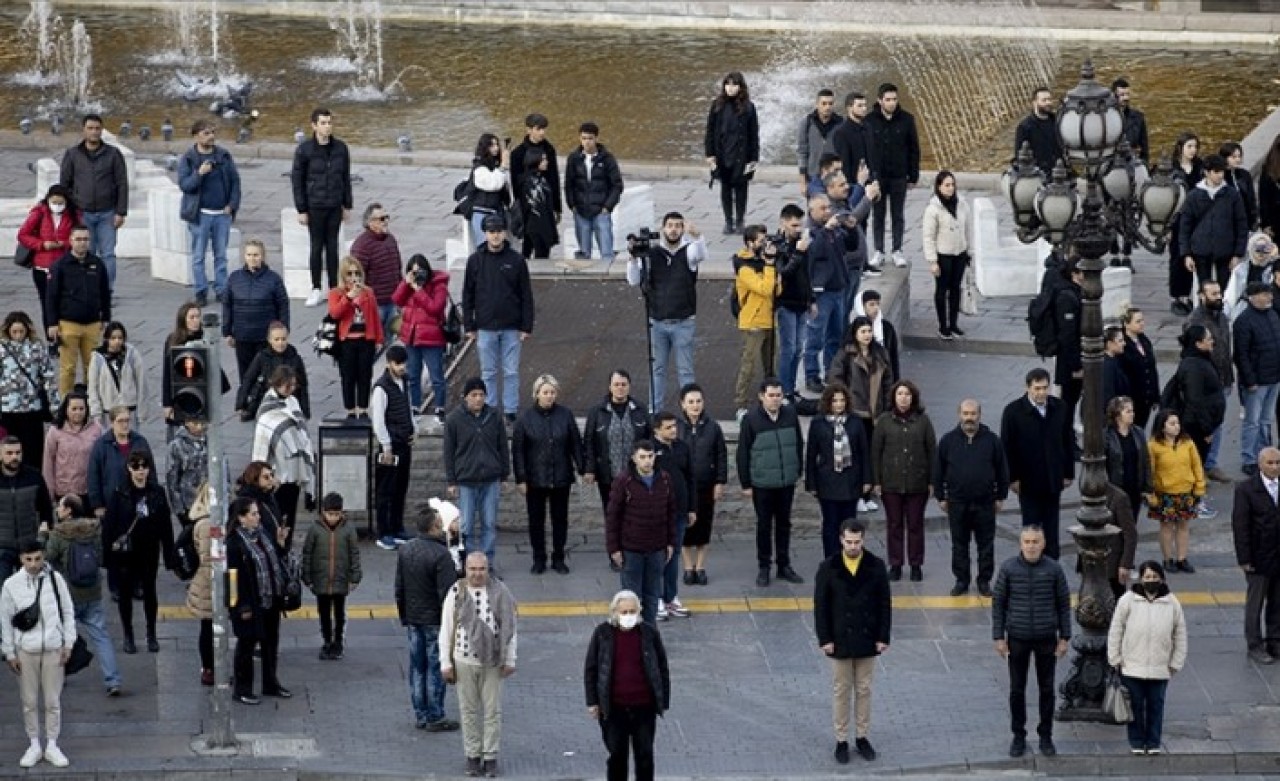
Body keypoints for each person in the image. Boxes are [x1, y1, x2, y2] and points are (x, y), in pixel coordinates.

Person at [814, 519, 891, 764]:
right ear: (841, 540)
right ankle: (841, 739)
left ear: (864, 540)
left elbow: (884, 604)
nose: (853, 546)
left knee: (864, 689)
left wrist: (883, 636)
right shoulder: (828, 567)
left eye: (857, 542)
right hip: (839, 639)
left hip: (867, 638)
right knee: (841, 690)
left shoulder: (876, 566)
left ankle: (862, 736)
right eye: (849, 542)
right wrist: (824, 638)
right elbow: (821, 606)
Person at [992, 525, 1071, 759]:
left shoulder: (1054, 569)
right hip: (1018, 638)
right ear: (1020, 544)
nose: (1031, 546)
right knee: (1017, 689)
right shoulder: (1008, 569)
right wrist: (998, 637)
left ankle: (1046, 736)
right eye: (1027, 541)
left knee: (1047, 689)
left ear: (1043, 544)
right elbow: (998, 604)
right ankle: (1018, 736)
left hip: (1047, 637)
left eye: (1035, 541)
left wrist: (1064, 637)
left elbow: (1063, 604)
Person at [440, 552, 518, 778]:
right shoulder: (455, 592)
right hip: (463, 660)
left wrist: (510, 659)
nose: (476, 574)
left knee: (493, 711)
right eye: (472, 569)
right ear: (465, 569)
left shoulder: (501, 592)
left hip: (493, 661)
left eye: (481, 569)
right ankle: (472, 756)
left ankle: (491, 757)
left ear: (487, 569)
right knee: (468, 711)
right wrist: (445, 662)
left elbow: (511, 628)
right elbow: (446, 629)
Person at [0, 539, 76, 768]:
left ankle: (52, 744)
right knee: (29, 701)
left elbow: (67, 610)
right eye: (28, 559)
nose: (33, 564)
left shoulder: (55, 580)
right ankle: (34, 744)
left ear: (43, 557)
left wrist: (68, 643)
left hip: (53, 648)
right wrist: (9, 652)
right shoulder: (11, 585)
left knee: (53, 700)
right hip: (26, 650)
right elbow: (5, 620)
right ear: (21, 559)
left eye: (37, 559)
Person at [583, 589, 670, 781]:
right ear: (615, 612)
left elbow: (662, 667)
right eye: (624, 612)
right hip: (614, 708)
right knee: (617, 756)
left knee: (645, 755)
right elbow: (592, 669)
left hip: (643, 707)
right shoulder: (602, 634)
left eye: (632, 611)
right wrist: (593, 702)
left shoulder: (649, 633)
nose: (628, 616)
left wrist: (663, 700)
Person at [626, 212, 706, 412]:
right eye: (670, 225)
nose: (674, 229)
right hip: (657, 321)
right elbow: (634, 280)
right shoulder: (652, 254)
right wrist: (633, 257)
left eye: (678, 225)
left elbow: (700, 254)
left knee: (685, 371)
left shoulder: (688, 252)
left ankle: (690, 410)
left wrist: (698, 237)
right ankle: (655, 410)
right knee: (657, 370)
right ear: (663, 228)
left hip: (683, 321)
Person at [1107, 560, 1188, 755]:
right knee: (1134, 706)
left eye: (1154, 577)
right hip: (1131, 665)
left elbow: (1180, 634)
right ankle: (1136, 741)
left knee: (1155, 706)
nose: (1151, 580)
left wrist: (1175, 663)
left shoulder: (1172, 603)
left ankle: (1153, 742)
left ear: (1161, 578)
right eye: (1147, 577)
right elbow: (1116, 629)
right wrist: (1115, 658)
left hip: (1160, 668)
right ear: (1141, 578)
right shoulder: (1127, 600)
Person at [42, 494, 120, 695]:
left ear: (68, 510)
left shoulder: (59, 533)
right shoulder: (94, 530)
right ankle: (113, 680)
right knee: (101, 635)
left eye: (60, 506)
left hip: (68, 594)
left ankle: (60, 677)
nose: (57, 510)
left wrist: (43, 536)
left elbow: (47, 558)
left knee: (61, 637)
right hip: (92, 592)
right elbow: (100, 557)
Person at [462, 214, 535, 421]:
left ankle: (510, 411)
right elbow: (467, 294)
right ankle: (491, 409)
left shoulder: (516, 260)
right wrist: (469, 325)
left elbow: (525, 294)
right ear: (485, 233)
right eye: (492, 231)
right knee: (489, 373)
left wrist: (526, 326)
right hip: (485, 326)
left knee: (511, 371)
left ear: (504, 233)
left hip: (511, 326)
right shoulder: (475, 261)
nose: (495, 235)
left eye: (499, 231)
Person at [933, 399, 1008, 597]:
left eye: (973, 414)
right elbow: (938, 471)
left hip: (985, 502)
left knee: (986, 544)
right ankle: (961, 580)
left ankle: (984, 581)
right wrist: (941, 497)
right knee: (959, 544)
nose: (969, 418)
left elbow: (1002, 470)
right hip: (957, 502)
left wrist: (1001, 496)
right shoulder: (948, 441)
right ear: (959, 414)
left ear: (979, 415)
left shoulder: (992, 440)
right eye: (965, 413)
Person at [102, 450, 174, 654]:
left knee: (150, 591)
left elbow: (165, 525)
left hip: (149, 549)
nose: (140, 471)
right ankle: (128, 635)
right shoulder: (119, 493)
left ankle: (151, 633)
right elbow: (110, 526)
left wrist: (169, 555)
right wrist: (108, 557)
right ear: (129, 469)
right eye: (136, 467)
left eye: (144, 466)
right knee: (125, 594)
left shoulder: (157, 492)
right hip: (126, 552)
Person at [395, 503, 460, 731]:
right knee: (436, 666)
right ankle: (435, 715)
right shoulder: (441, 555)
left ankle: (420, 713)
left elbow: (399, 587)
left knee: (417, 668)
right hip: (435, 620)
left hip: (414, 618)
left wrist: (404, 615)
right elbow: (449, 594)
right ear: (434, 526)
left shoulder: (405, 550)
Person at [512, 374, 583, 575]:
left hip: (561, 476)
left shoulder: (565, 415)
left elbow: (575, 443)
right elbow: (518, 451)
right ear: (537, 394)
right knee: (536, 521)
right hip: (535, 478)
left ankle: (559, 557)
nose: (549, 396)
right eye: (545, 392)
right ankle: (539, 558)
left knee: (560, 519)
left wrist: (583, 468)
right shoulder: (525, 419)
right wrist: (521, 478)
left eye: (552, 392)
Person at [1000, 368, 1074, 560]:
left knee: (1051, 523)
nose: (1041, 393)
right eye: (1037, 388)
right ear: (1028, 388)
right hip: (1028, 480)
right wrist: (1012, 478)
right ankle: (1031, 560)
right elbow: (1007, 448)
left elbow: (1067, 440)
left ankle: (1052, 560)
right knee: (1031, 524)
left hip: (1052, 478)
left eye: (1045, 388)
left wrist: (1068, 472)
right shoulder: (1013, 412)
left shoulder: (1060, 407)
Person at [738, 378, 805, 587]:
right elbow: (743, 452)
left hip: (786, 482)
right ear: (761, 396)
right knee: (764, 526)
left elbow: (798, 443)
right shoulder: (751, 419)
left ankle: (784, 565)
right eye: (771, 395)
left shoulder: (790, 414)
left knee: (784, 524)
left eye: (779, 395)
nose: (775, 400)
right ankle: (764, 566)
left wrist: (797, 470)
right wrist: (746, 484)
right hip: (762, 483)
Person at [584, 370, 652, 573]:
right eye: (616, 384)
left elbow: (648, 440)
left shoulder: (639, 410)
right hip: (609, 476)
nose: (620, 388)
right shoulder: (597, 411)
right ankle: (615, 555)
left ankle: (633, 553)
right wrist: (589, 469)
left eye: (623, 384)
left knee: (634, 516)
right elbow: (589, 442)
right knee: (613, 515)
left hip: (635, 476)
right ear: (609, 386)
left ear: (629, 386)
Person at [226, 495, 290, 705]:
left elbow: (275, 559)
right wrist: (240, 606)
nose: (258, 517)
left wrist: (280, 543)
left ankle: (270, 683)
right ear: (241, 518)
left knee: (270, 643)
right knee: (246, 645)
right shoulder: (234, 544)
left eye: (257, 513)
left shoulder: (262, 534)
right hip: (250, 603)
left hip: (270, 598)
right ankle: (242, 688)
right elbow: (231, 579)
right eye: (253, 514)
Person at [871, 380, 936, 582]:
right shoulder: (884, 421)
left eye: (907, 394)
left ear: (913, 397)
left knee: (915, 525)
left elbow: (932, 451)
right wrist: (877, 481)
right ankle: (895, 563)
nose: (903, 398)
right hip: (891, 483)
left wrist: (932, 481)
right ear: (893, 397)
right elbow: (876, 452)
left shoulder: (923, 421)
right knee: (894, 525)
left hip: (917, 483)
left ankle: (916, 564)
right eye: (900, 394)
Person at [605, 440, 675, 626]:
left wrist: (670, 543)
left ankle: (650, 634)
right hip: (631, 549)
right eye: (642, 457)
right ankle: (631, 634)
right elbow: (612, 516)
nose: (647, 461)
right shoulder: (624, 481)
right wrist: (614, 549)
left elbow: (670, 513)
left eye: (650, 456)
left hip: (656, 548)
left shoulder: (665, 479)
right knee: (631, 597)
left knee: (652, 596)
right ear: (634, 458)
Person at [829, 317, 893, 514]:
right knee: (854, 455)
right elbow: (835, 378)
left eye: (869, 331)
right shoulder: (845, 355)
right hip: (855, 411)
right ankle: (856, 495)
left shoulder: (880, 353)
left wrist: (887, 404)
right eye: (863, 331)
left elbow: (888, 381)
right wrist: (843, 402)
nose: (867, 335)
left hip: (876, 412)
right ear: (855, 334)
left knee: (872, 455)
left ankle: (868, 493)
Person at [444, 378, 509, 567]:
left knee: (489, 524)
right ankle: (470, 563)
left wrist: (504, 474)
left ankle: (487, 563)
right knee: (467, 526)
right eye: (474, 395)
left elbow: (502, 446)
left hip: (490, 479)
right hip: (466, 480)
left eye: (481, 395)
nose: (478, 399)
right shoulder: (454, 419)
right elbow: (449, 451)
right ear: (466, 397)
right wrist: (451, 481)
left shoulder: (494, 416)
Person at [177, 118, 242, 307]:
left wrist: (232, 204)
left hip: (221, 214)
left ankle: (221, 289)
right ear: (196, 136)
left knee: (221, 255)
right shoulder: (188, 159)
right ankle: (201, 291)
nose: (211, 136)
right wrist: (199, 173)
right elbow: (185, 185)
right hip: (200, 215)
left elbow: (235, 181)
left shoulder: (223, 156)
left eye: (213, 132)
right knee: (198, 256)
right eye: (206, 133)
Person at [59, 113, 127, 289]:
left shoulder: (113, 154)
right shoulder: (72, 154)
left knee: (108, 254)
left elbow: (122, 183)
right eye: (90, 128)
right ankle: (87, 288)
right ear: (83, 130)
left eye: (97, 128)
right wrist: (70, 210)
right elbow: (64, 184)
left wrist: (121, 212)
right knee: (85, 253)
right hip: (83, 213)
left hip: (107, 213)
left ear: (102, 130)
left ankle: (107, 289)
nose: (94, 132)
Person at [293, 107, 353, 306]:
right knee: (316, 247)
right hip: (315, 205)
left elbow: (345, 177)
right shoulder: (305, 150)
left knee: (333, 247)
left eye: (329, 122)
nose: (327, 126)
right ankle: (316, 287)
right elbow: (297, 180)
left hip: (334, 204)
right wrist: (301, 209)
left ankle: (335, 287)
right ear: (314, 126)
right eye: (323, 123)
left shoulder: (340, 148)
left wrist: (347, 204)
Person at [806, 382, 871, 560]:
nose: (839, 404)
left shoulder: (855, 421)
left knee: (850, 524)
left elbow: (864, 452)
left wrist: (867, 480)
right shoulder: (818, 423)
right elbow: (811, 454)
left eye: (842, 400)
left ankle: (849, 558)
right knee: (830, 524)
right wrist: (811, 483)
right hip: (827, 483)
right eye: (835, 401)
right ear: (828, 402)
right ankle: (831, 560)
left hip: (851, 481)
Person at [252, 366, 315, 547]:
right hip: (277, 477)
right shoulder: (266, 410)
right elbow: (261, 446)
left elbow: (302, 433)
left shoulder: (293, 402)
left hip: (294, 475)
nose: (291, 389)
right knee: (276, 522)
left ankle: (286, 553)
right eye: (287, 386)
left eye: (293, 385)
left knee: (290, 521)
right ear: (277, 384)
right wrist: (262, 478)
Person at [45, 224, 111, 396]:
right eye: (79, 239)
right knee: (67, 368)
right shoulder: (60, 266)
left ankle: (91, 401)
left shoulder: (97, 264)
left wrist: (106, 318)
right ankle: (65, 404)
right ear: (71, 241)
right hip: (68, 324)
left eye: (86, 239)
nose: (82, 243)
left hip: (93, 324)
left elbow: (105, 292)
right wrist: (52, 323)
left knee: (93, 367)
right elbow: (51, 296)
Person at [1232, 447, 1280, 664]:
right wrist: (1244, 558)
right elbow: (1240, 526)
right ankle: (1254, 644)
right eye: (1270, 463)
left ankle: (1275, 641)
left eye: (1277, 462)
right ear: (1260, 464)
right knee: (1255, 602)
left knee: (1277, 602)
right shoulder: (1246, 489)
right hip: (1258, 557)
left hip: (1278, 555)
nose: (1275, 467)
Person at [301, 492, 361, 661]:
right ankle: (327, 640)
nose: (333, 518)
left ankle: (338, 641)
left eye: (336, 514)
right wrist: (307, 576)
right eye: (330, 514)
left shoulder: (348, 529)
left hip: (340, 579)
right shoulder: (315, 530)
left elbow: (354, 553)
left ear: (342, 513)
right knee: (324, 613)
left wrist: (355, 576)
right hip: (321, 580)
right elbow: (307, 554)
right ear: (323, 512)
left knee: (340, 613)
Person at [677, 383, 726, 586]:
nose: (695, 405)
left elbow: (721, 455)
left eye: (698, 401)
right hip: (684, 488)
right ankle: (688, 567)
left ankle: (701, 566)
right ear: (683, 404)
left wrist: (720, 482)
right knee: (685, 528)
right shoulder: (677, 427)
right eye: (691, 402)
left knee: (704, 527)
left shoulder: (713, 427)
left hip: (706, 486)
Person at [866, 83, 920, 269]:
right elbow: (865, 149)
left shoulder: (906, 120)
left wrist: (913, 176)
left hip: (898, 175)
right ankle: (879, 250)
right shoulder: (870, 121)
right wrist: (868, 178)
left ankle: (897, 250)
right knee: (878, 214)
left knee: (898, 214)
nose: (891, 103)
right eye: (888, 100)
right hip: (877, 177)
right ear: (880, 100)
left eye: (894, 99)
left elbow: (914, 149)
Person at [1187, 280, 1235, 484]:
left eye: (1219, 292)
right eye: (1213, 293)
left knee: (1218, 424)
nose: (1218, 296)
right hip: (1206, 383)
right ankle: (1198, 465)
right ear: (1201, 296)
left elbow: (1225, 346)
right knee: (1203, 426)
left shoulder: (1221, 316)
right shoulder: (1195, 321)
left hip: (1223, 378)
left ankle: (1211, 464)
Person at [1147, 408, 1206, 574]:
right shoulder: (1154, 446)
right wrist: (1151, 493)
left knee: (1183, 526)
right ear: (1162, 426)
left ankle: (1182, 558)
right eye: (1172, 423)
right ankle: (1167, 559)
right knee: (1166, 527)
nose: (1176, 427)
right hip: (1164, 492)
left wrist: (1199, 486)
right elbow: (1150, 471)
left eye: (1177, 423)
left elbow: (1196, 465)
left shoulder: (1187, 443)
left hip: (1186, 490)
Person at [803, 193, 851, 392]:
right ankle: (811, 375)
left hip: (838, 288)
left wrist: (850, 227)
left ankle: (832, 372)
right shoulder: (811, 232)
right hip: (821, 293)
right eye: (822, 208)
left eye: (828, 207)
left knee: (836, 335)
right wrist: (825, 230)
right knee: (815, 336)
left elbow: (850, 246)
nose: (827, 211)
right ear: (811, 211)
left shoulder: (833, 230)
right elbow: (814, 253)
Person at [1166, 324, 1226, 486]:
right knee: (1193, 465)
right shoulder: (1194, 366)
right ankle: (1193, 502)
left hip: (1203, 423)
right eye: (1208, 339)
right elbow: (1195, 400)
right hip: (1196, 426)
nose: (1212, 341)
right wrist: (1206, 429)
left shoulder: (1202, 360)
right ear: (1198, 344)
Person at [1179, 153, 1248, 290]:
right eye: (1216, 172)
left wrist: (1237, 254)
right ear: (1207, 172)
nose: (1220, 175)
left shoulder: (1232, 194)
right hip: (1200, 249)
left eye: (1222, 171)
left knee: (1225, 289)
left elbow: (1241, 224)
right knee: (1204, 288)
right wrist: (1186, 254)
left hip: (1226, 250)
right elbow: (1185, 227)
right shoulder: (1194, 196)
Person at [222, 239, 289, 381]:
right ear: (244, 256)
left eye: (256, 255)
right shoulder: (234, 278)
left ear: (262, 256)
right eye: (249, 255)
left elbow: (283, 304)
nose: (252, 258)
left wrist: (284, 329)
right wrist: (227, 331)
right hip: (242, 336)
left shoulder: (273, 279)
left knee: (268, 376)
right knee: (245, 377)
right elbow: (227, 304)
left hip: (265, 336)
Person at [393, 254, 450, 419]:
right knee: (412, 375)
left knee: (436, 376)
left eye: (421, 271)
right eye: (414, 272)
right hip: (412, 337)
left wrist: (419, 290)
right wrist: (406, 283)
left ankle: (440, 407)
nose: (418, 276)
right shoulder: (409, 285)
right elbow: (397, 300)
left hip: (432, 338)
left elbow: (435, 308)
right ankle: (415, 406)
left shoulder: (438, 286)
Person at [0, 311, 59, 469]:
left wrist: (55, 405)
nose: (18, 335)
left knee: (33, 454)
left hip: (32, 409)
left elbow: (49, 377)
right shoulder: (1, 349)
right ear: (8, 331)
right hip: (7, 410)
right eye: (14, 332)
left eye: (21, 331)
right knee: (8, 451)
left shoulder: (36, 348)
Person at [18, 184, 80, 333]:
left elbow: (79, 236)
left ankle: (65, 334)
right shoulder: (39, 213)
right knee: (47, 303)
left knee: (65, 303)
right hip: (42, 267)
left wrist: (64, 244)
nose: (57, 206)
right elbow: (23, 235)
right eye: (54, 202)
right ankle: (51, 337)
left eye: (60, 203)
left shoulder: (74, 215)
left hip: (65, 266)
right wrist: (42, 245)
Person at [328, 256, 384, 419]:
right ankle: (350, 409)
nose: (354, 277)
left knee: (365, 375)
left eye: (357, 273)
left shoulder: (368, 292)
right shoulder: (336, 293)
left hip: (365, 339)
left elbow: (374, 316)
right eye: (350, 273)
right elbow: (335, 313)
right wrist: (349, 297)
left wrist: (379, 338)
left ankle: (363, 408)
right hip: (346, 342)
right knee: (348, 376)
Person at [1233, 281, 1280, 476]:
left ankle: (1264, 454)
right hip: (1257, 381)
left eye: (1269, 294)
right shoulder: (1243, 321)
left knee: (1266, 420)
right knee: (1252, 421)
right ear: (1253, 297)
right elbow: (1241, 354)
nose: (1269, 297)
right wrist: (1249, 380)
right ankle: (1249, 458)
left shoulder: (1273, 315)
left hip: (1274, 377)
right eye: (1265, 294)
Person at [370, 346, 414, 551]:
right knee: (386, 490)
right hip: (390, 445)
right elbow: (378, 420)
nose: (402, 367)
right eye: (398, 364)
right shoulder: (381, 388)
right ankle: (384, 531)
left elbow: (408, 406)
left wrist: (413, 429)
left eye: (404, 363)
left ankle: (397, 528)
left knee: (400, 488)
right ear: (389, 363)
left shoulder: (404, 381)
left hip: (404, 442)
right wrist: (385, 445)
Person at [732, 225, 779, 417]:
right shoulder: (744, 267)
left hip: (768, 319)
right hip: (752, 323)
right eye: (760, 241)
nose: (764, 244)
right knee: (749, 365)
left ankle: (772, 397)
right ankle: (741, 403)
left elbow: (777, 290)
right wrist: (769, 266)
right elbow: (765, 289)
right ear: (750, 243)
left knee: (771, 364)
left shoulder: (763, 263)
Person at [704, 71, 759, 234]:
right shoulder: (717, 105)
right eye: (727, 84)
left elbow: (753, 134)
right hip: (723, 154)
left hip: (741, 155)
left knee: (741, 188)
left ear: (740, 87)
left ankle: (740, 219)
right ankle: (728, 220)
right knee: (725, 188)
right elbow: (710, 131)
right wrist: (710, 154)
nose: (730, 88)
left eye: (734, 84)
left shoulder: (749, 107)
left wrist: (753, 158)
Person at [652, 412, 694, 621]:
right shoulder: (650, 450)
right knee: (659, 556)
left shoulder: (682, 448)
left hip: (679, 511)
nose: (673, 430)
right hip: (658, 513)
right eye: (668, 427)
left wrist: (691, 508)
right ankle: (656, 598)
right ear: (657, 429)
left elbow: (690, 479)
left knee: (674, 555)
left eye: (674, 426)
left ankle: (671, 596)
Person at [564, 122, 624, 264]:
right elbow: (568, 184)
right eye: (584, 138)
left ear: (596, 138)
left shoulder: (607, 159)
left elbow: (617, 185)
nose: (587, 142)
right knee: (584, 253)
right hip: (581, 210)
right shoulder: (574, 158)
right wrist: (572, 204)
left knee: (606, 251)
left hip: (601, 210)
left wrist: (607, 207)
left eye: (590, 138)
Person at [922, 170, 971, 339]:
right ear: (939, 186)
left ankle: (954, 323)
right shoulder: (933, 209)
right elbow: (928, 237)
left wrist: (969, 251)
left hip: (960, 252)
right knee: (942, 290)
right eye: (947, 185)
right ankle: (943, 326)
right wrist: (932, 261)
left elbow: (967, 229)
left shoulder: (962, 204)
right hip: (943, 255)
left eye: (952, 185)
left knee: (956, 288)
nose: (950, 188)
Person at [0, 437, 54, 582]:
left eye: (18, 452)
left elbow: (46, 508)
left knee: (31, 592)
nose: (14, 457)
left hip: (29, 545)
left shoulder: (34, 477)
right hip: (2, 546)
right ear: (1, 455)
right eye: (9, 453)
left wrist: (43, 536)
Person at [773, 204, 812, 400]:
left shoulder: (801, 243)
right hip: (786, 303)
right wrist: (797, 253)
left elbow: (807, 274)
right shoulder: (777, 245)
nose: (798, 229)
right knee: (788, 349)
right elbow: (783, 273)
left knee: (798, 348)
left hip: (801, 303)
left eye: (800, 225)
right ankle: (785, 389)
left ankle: (791, 387)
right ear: (783, 223)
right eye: (794, 225)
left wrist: (811, 299)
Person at [86, 406, 153, 519]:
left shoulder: (140, 442)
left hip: (137, 502)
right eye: (120, 421)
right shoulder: (101, 446)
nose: (125, 425)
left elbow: (151, 471)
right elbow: (93, 476)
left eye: (127, 420)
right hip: (111, 504)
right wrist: (97, 504)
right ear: (112, 423)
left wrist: (151, 497)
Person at [237, 321, 311, 421]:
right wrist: (241, 403)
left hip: (289, 400)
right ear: (269, 340)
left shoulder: (295, 358)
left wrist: (305, 411)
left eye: (283, 339)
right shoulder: (262, 357)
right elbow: (249, 379)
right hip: (265, 399)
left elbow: (303, 385)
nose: (280, 343)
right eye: (276, 339)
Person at [1110, 78, 1148, 265]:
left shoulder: (1138, 118)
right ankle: (1114, 251)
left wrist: (1144, 167)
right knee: (1110, 211)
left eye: (1127, 94)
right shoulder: (1106, 118)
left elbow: (1144, 146)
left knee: (1129, 212)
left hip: (1131, 168)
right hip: (1110, 169)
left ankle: (1126, 252)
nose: (1125, 98)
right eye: (1122, 94)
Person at [350, 202, 403, 336]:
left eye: (386, 217)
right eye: (381, 219)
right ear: (370, 222)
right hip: (374, 305)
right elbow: (356, 278)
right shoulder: (361, 246)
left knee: (389, 342)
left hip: (392, 302)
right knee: (373, 343)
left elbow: (398, 269)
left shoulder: (390, 239)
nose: (385, 221)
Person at [42, 388, 101, 506]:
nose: (78, 413)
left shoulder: (96, 429)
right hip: (64, 491)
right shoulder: (55, 431)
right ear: (66, 409)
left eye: (81, 409)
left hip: (89, 490)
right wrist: (49, 492)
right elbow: (48, 462)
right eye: (74, 409)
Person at [1169, 132, 1204, 316]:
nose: (1193, 150)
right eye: (1189, 146)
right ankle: (1177, 295)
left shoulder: (1200, 167)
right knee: (1177, 256)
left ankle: (1191, 293)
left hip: (1196, 218)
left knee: (1193, 256)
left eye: (1195, 147)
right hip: (1177, 218)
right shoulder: (1172, 168)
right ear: (1181, 147)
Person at [184, 483, 216, 685]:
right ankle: (209, 668)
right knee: (208, 626)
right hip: (207, 583)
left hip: (207, 582)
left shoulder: (205, 520)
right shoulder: (206, 524)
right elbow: (208, 558)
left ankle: (210, 667)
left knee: (209, 626)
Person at [509, 113, 561, 233]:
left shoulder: (549, 149)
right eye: (538, 129)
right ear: (529, 130)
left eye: (544, 129)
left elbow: (554, 180)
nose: (542, 132)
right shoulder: (517, 153)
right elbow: (516, 183)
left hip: (546, 203)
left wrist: (557, 208)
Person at [86, 321, 146, 425]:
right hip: (108, 410)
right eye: (113, 338)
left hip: (129, 407)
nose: (117, 341)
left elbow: (141, 382)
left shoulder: (132, 354)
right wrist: (95, 411)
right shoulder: (98, 358)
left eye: (120, 338)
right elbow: (92, 386)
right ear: (107, 339)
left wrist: (142, 411)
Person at [1105, 397, 1153, 523]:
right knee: (1117, 525)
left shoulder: (1138, 432)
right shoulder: (1107, 436)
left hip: (1135, 488)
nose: (1132, 414)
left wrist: (1147, 487)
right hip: (1117, 488)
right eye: (1128, 411)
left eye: (1132, 411)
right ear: (1117, 415)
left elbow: (1146, 460)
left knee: (1132, 525)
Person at [1117, 305, 1160, 429]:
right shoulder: (1123, 344)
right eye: (1138, 321)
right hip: (1132, 397)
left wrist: (1155, 395)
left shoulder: (1144, 340)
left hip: (1145, 398)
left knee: (1141, 427)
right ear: (1127, 324)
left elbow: (1152, 369)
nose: (1142, 324)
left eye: (1142, 320)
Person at [466, 133, 511, 248]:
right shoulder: (479, 167)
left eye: (497, 144)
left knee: (499, 247)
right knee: (484, 247)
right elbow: (492, 184)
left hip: (497, 211)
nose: (496, 148)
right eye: (492, 145)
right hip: (482, 212)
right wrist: (503, 166)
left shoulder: (495, 165)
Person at [796, 89, 843, 196]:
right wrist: (802, 181)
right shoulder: (807, 123)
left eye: (830, 104)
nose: (827, 107)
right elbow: (802, 152)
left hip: (834, 175)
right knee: (815, 209)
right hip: (813, 176)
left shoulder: (840, 123)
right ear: (817, 104)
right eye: (824, 103)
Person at [516, 149, 560, 260]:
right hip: (536, 225)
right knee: (540, 257)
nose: (546, 162)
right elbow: (535, 205)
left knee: (529, 253)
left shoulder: (540, 178)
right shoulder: (530, 181)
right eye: (543, 159)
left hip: (537, 224)